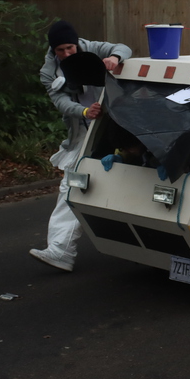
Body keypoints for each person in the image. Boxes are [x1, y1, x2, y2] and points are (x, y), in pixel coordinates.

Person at [29, 20, 132, 272]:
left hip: (118, 125)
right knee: (73, 185)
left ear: (76, 43)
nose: (66, 53)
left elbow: (124, 48)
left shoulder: (91, 47)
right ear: (53, 49)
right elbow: (61, 102)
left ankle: (137, 241)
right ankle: (61, 250)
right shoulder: (48, 71)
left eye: (70, 48)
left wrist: (114, 58)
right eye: (60, 50)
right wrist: (85, 111)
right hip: (86, 133)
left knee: (119, 183)